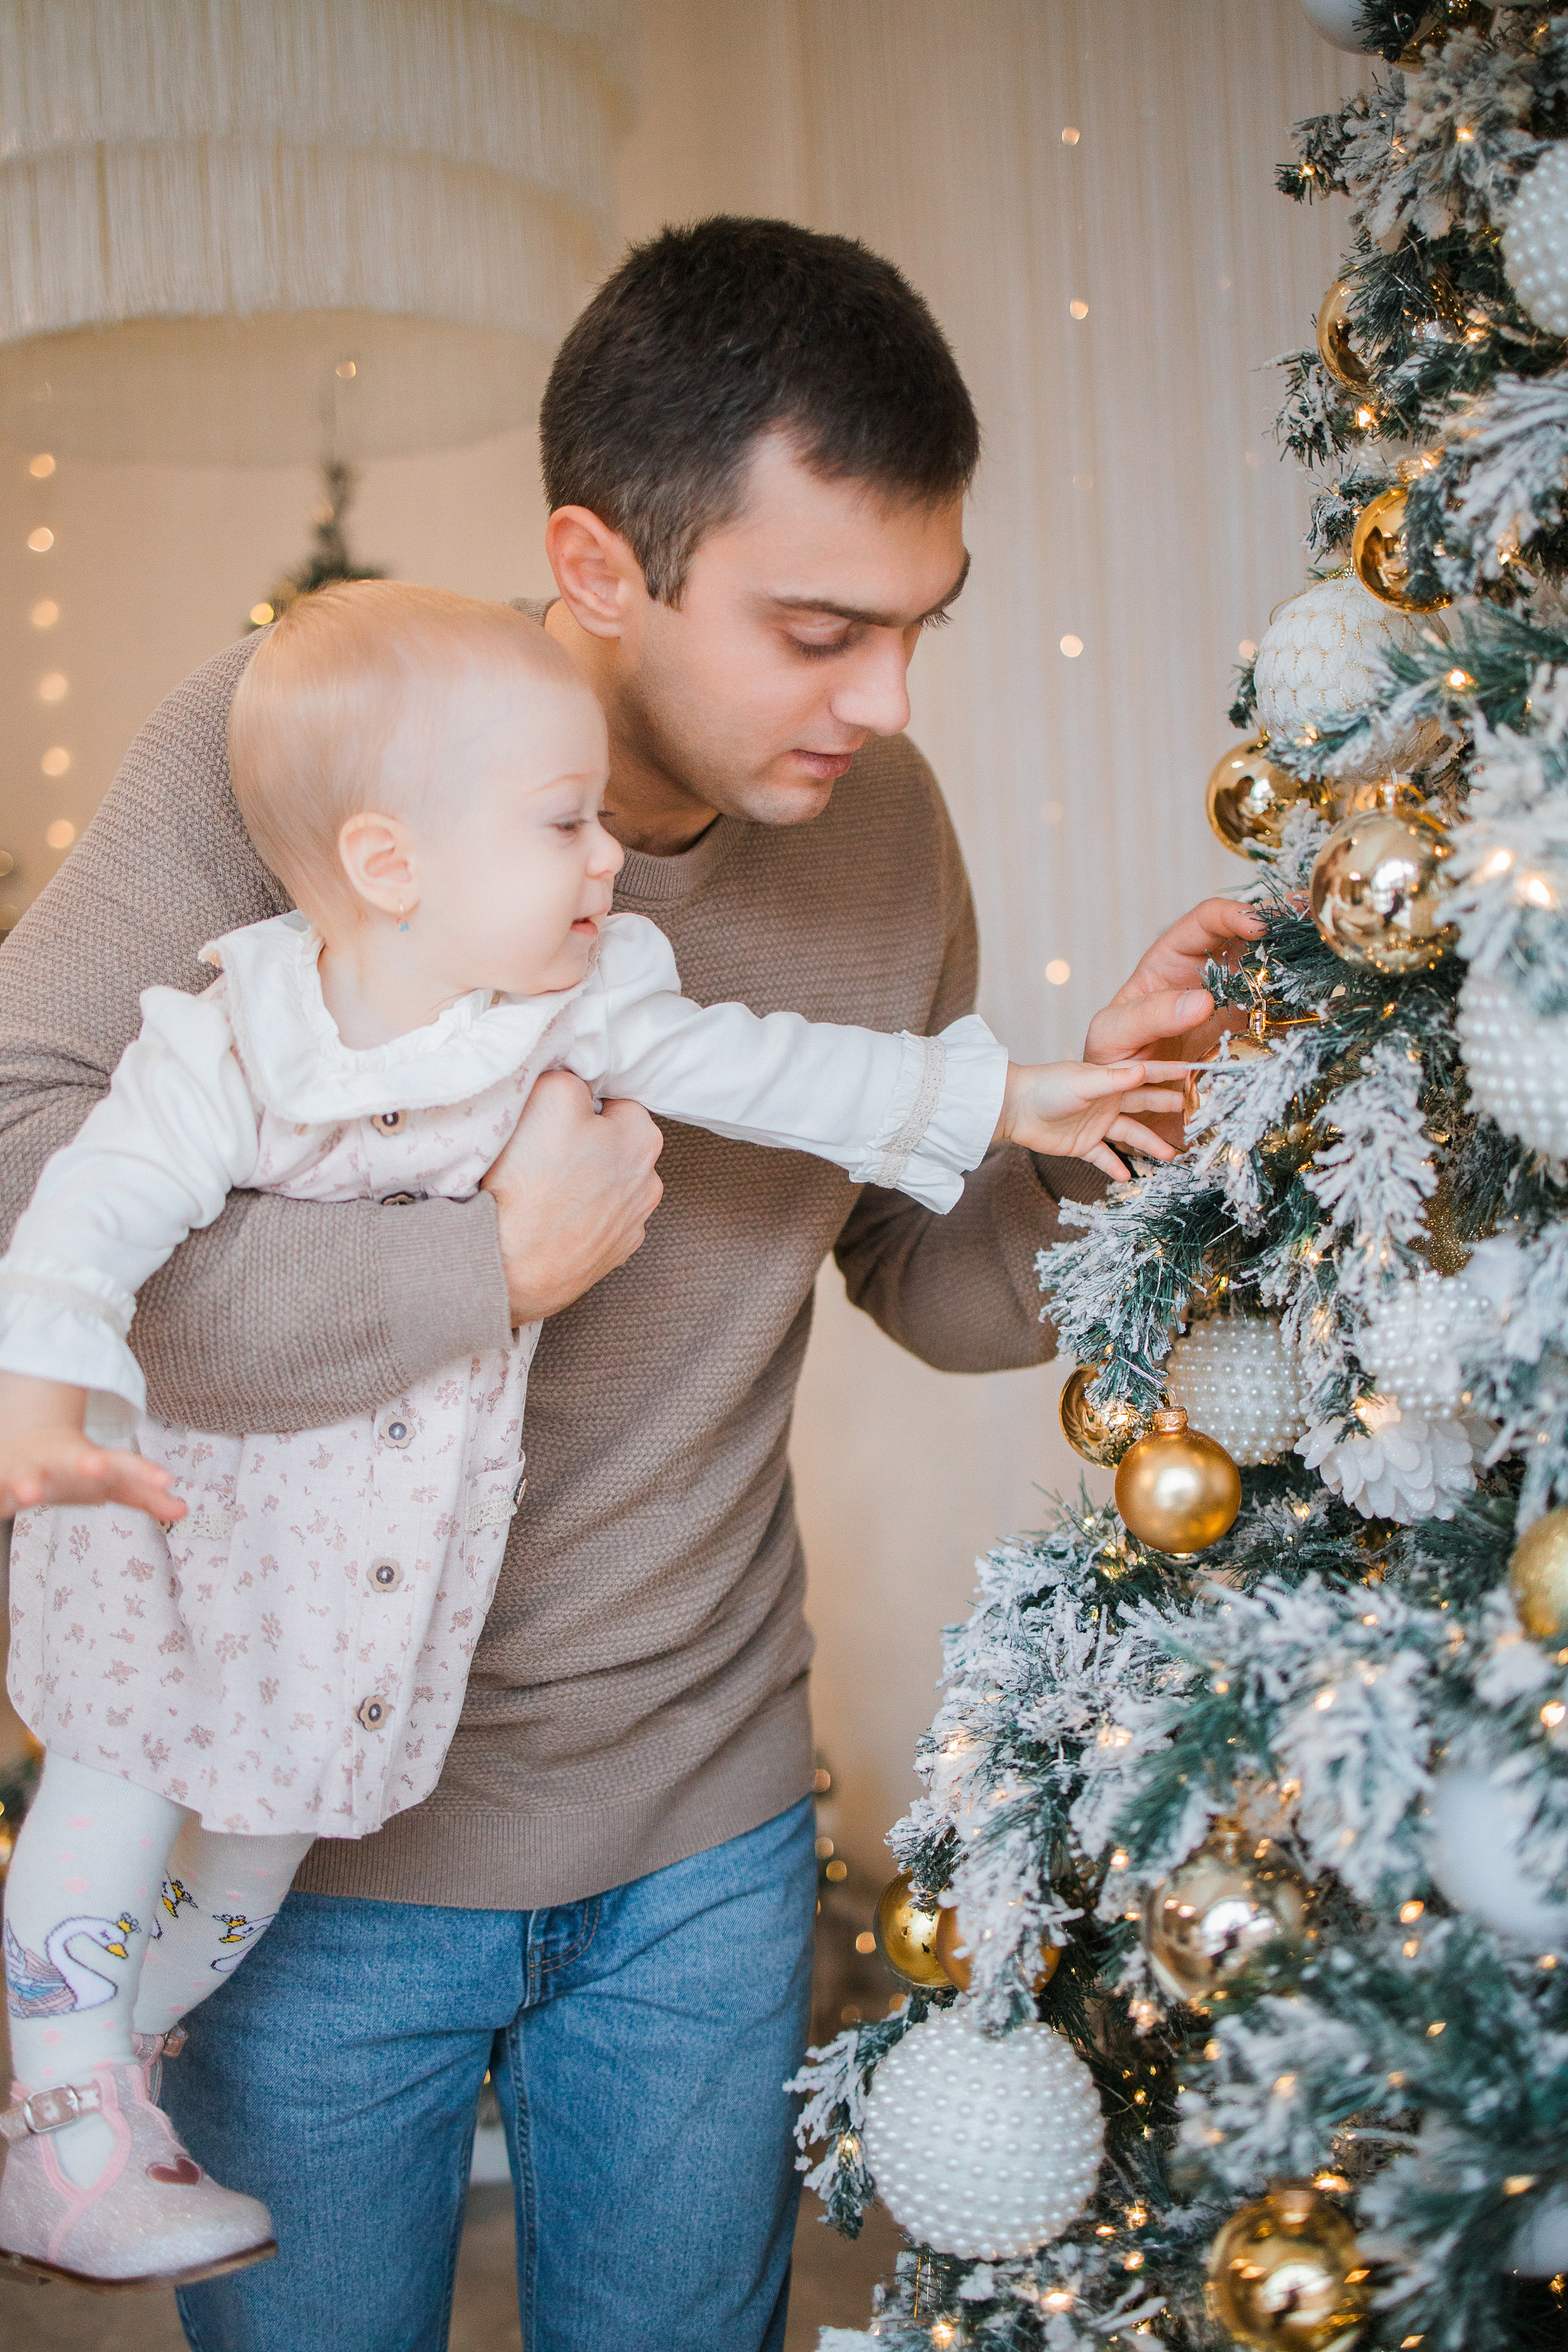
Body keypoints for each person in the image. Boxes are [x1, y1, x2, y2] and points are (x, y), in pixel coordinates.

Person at [0, 217, 1259, 2351]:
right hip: (307, 1840)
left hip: (704, 1837)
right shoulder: (300, 748)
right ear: (600, 563)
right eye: (817, 628)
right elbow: (28, 1178)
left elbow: (932, 1282)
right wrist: (483, 1271)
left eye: (918, 626)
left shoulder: (882, 828)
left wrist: (1124, 1133)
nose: (885, 703)